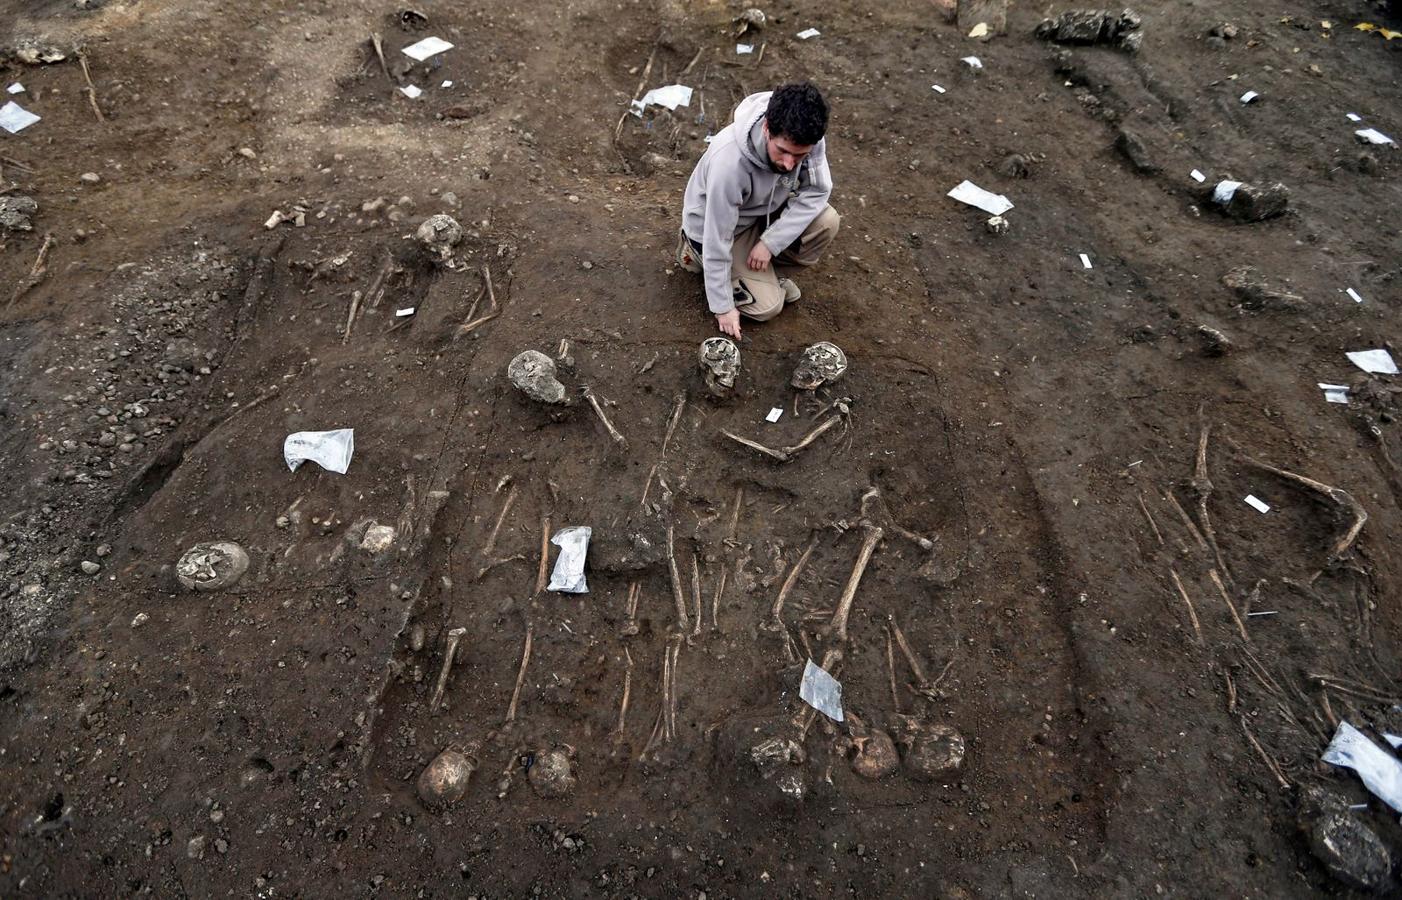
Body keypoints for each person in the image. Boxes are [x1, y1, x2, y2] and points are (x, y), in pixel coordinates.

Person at [677, 82, 840, 340]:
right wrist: (722, 307)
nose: (789, 164)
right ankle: (694, 255)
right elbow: (717, 237)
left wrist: (771, 242)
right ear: (766, 128)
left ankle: (763, 275)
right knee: (768, 307)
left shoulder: (808, 134)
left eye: (799, 156)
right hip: (715, 231)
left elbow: (818, 190)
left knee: (826, 221)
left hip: (760, 214)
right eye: (783, 151)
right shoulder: (729, 164)